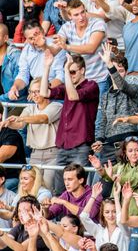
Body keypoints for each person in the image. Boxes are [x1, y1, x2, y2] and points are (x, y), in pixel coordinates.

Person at [39, 52, 100, 192]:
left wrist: (65, 71)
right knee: (60, 189)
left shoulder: (92, 85)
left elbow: (73, 96)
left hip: (81, 145)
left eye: (72, 71)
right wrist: (47, 67)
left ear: (82, 70)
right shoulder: (67, 86)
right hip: (63, 145)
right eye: (68, 71)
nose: (70, 75)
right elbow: (44, 93)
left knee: (79, 189)